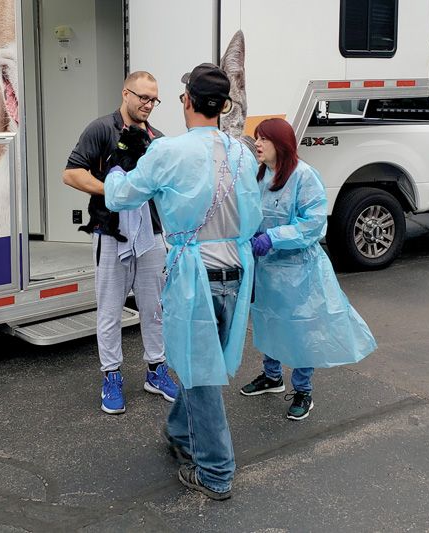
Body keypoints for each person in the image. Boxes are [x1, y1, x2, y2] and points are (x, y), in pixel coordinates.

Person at [104, 63, 263, 500]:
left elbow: (120, 196)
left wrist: (119, 166)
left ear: (187, 101)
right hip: (235, 274)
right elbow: (254, 213)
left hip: (194, 276)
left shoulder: (168, 152)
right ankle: (179, 431)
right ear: (224, 106)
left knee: (201, 376)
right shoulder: (242, 153)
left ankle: (216, 472)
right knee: (199, 368)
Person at [240, 118, 377, 420]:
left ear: (282, 144)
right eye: (256, 138)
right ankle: (272, 377)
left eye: (264, 139)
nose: (258, 144)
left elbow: (313, 224)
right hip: (268, 269)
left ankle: (303, 390)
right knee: (270, 322)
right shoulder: (260, 173)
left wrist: (273, 238)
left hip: (299, 272)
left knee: (303, 328)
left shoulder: (304, 176)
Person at [62, 72, 177, 415]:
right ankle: (111, 376)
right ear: (125, 93)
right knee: (110, 309)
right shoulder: (101, 129)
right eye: (142, 97)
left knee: (154, 307)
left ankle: (156, 370)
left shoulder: (158, 138)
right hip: (110, 232)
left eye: (154, 99)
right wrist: (114, 191)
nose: (148, 105)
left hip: (151, 234)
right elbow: (71, 173)